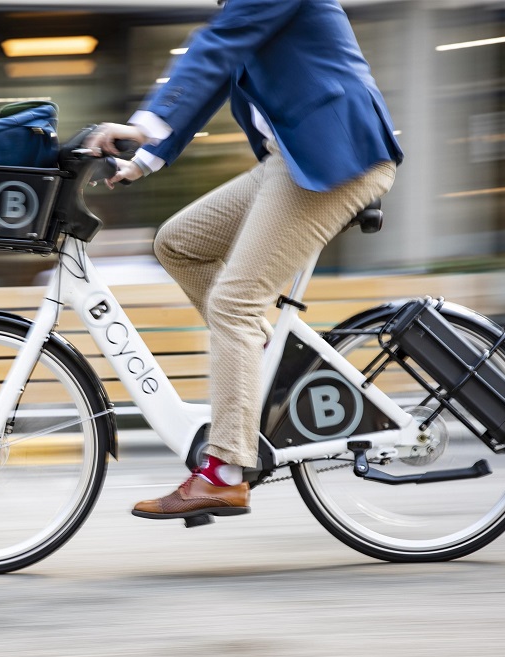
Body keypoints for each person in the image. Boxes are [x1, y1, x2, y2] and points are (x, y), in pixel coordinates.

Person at [84, 0, 404, 521]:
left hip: (337, 156)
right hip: (293, 159)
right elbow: (218, 68)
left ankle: (226, 472)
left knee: (234, 302)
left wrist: (147, 122)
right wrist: (142, 158)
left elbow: (217, 45)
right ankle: (253, 365)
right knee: (179, 242)